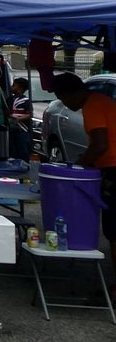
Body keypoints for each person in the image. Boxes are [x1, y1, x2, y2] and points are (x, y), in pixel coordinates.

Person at [50, 72, 116, 252]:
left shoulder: (92, 106)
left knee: (113, 229)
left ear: (72, 93)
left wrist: (79, 166)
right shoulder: (102, 101)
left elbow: (100, 145)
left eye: (63, 98)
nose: (64, 104)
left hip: (112, 169)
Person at [8, 77, 33, 161]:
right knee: (12, 150)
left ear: (20, 88)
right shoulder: (10, 100)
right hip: (11, 129)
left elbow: (30, 114)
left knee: (23, 150)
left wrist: (18, 119)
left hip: (23, 129)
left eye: (14, 85)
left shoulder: (26, 101)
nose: (11, 87)